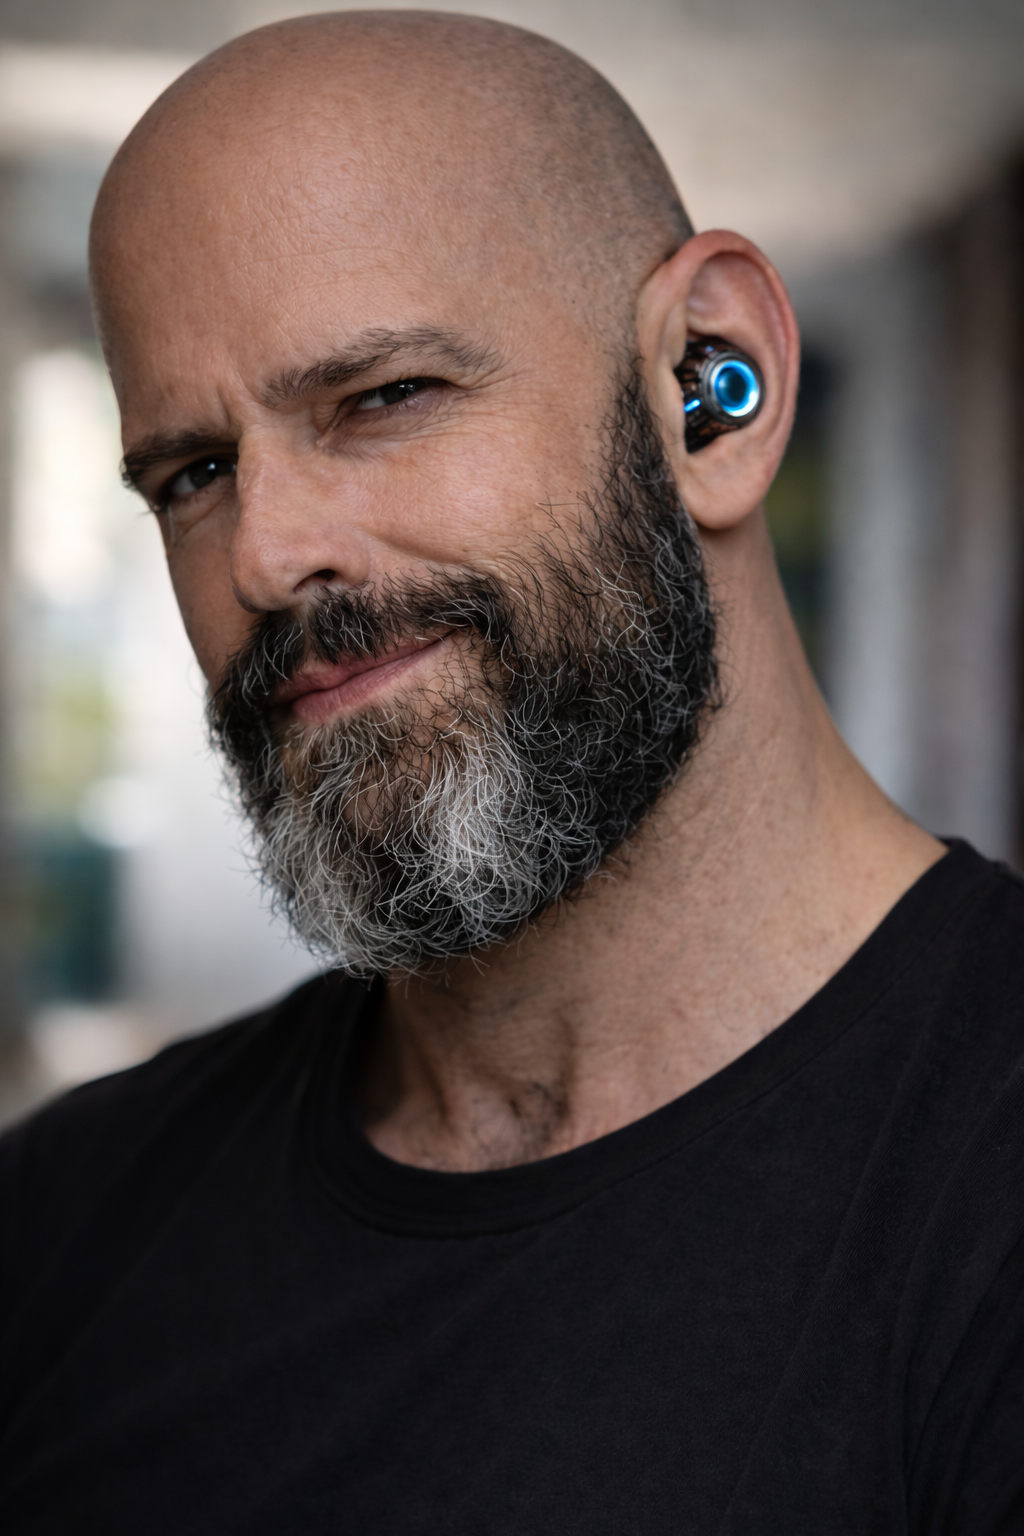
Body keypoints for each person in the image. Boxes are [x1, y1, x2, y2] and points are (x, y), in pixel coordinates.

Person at [1, 11, 1022, 1533]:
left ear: (709, 384)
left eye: (382, 397)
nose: (270, 557)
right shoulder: (61, 1222)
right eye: (193, 475)